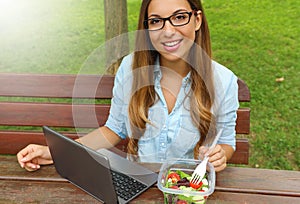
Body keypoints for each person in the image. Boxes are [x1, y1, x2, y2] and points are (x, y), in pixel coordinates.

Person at [17, 0, 239, 173]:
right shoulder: (131, 68)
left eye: (179, 17)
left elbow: (226, 142)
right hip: (138, 182)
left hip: (188, 187)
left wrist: (220, 155)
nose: (168, 31)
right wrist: (56, 153)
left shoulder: (224, 81)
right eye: (155, 21)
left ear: (197, 20)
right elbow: (113, 130)